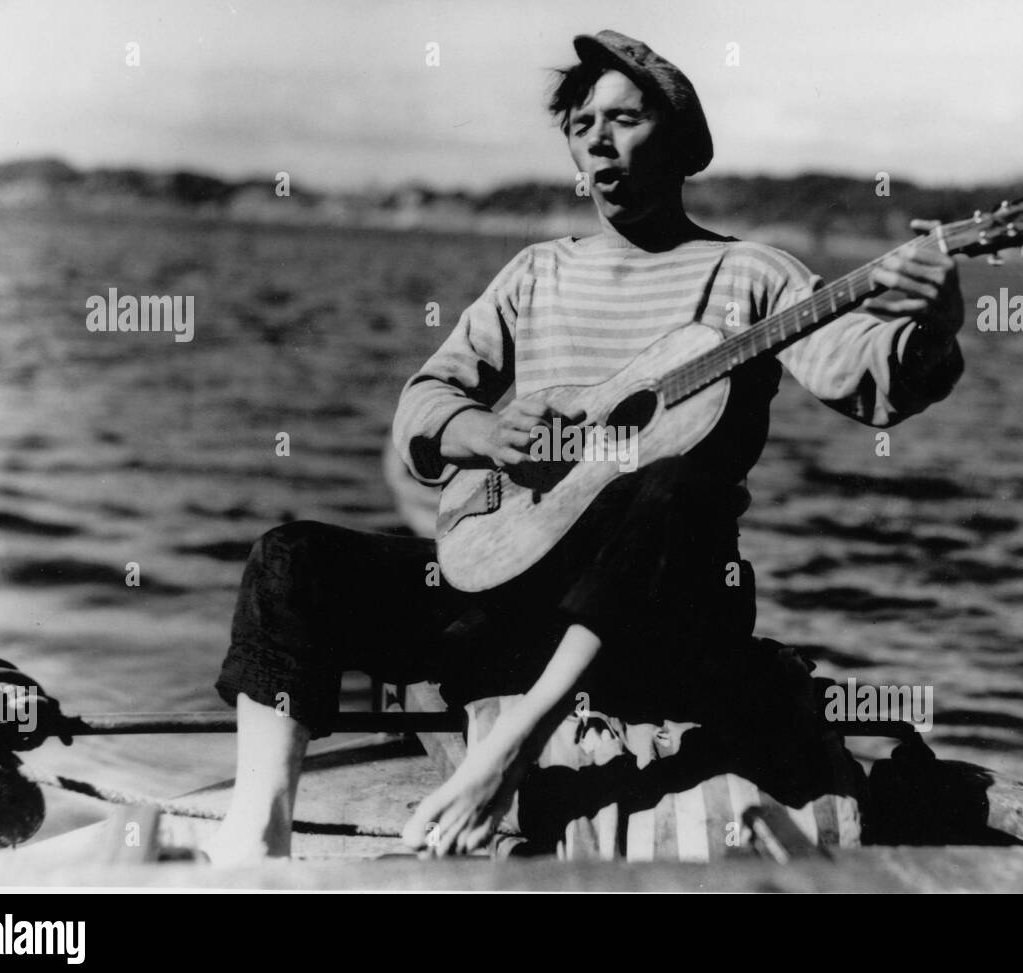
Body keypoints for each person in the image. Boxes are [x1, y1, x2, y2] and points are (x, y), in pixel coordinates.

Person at [206, 29, 965, 863]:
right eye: (582, 122)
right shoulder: (537, 272)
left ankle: (514, 744)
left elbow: (864, 379)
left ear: (677, 142)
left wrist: (927, 327)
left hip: (662, 613)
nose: (598, 137)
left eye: (626, 118)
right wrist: (485, 434)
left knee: (675, 482)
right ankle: (258, 842)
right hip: (516, 599)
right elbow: (426, 400)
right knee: (293, 559)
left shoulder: (753, 273)